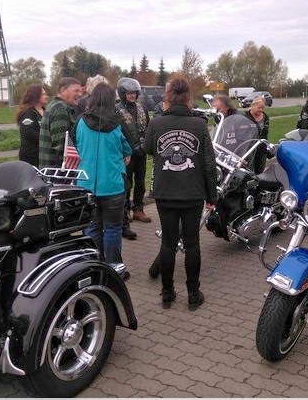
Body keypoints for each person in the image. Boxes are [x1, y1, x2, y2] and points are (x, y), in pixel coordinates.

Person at [144, 77, 217, 310]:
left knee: (168, 243)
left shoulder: (156, 124)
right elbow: (209, 164)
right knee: (192, 243)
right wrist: (212, 196)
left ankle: (167, 294)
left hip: (165, 192)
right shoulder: (198, 125)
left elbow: (147, 149)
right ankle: (193, 294)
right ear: (188, 98)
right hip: (193, 193)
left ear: (168, 96)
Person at [74, 82, 133, 278]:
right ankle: (115, 267)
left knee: (92, 227)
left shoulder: (80, 121)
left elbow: (74, 144)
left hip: (86, 184)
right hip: (114, 184)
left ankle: (93, 265)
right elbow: (129, 147)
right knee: (113, 228)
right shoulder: (118, 122)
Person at [115, 77, 152, 224]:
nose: (132, 95)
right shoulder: (116, 110)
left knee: (140, 182)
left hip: (141, 152)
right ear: (122, 93)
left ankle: (138, 209)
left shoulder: (142, 108)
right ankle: (125, 211)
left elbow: (149, 128)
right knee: (126, 183)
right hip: (126, 155)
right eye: (129, 93)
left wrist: (147, 147)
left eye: (134, 93)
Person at [38, 77, 82, 168]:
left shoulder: (53, 105)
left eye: (80, 91)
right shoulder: (60, 108)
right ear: (63, 91)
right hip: (56, 171)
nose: (80, 94)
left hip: (49, 169)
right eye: (76, 91)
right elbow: (60, 146)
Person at [16, 84, 48, 167]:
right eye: (43, 94)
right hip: (31, 156)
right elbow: (28, 132)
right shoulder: (28, 113)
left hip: (44, 155)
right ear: (36, 96)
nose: (46, 96)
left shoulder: (47, 112)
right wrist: (47, 138)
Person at [244, 96, 271, 174]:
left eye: (263, 108)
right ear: (253, 105)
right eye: (259, 107)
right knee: (249, 174)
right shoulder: (245, 117)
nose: (261, 110)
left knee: (259, 175)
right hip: (249, 151)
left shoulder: (265, 117)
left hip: (261, 150)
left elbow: (265, 134)